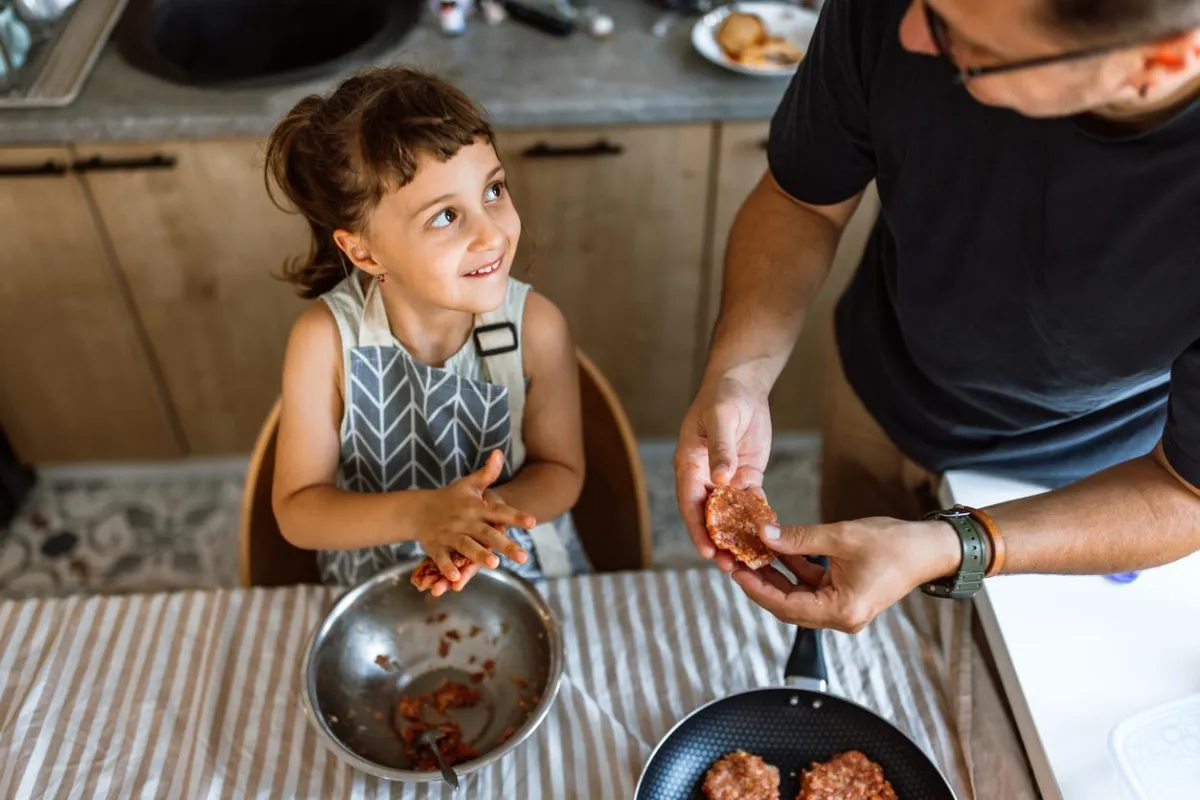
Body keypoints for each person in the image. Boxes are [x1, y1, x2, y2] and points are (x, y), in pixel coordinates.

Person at [676, 0, 1200, 632]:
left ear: (1161, 61)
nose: (908, 35)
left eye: (966, 43)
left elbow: (1183, 492)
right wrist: (742, 373)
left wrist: (960, 546)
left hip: (1087, 486)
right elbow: (802, 202)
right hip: (879, 383)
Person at [266, 67, 590, 594]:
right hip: (377, 579)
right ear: (364, 252)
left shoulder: (537, 327)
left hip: (511, 560)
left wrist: (475, 526)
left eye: (493, 189)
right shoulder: (323, 342)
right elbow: (299, 510)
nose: (491, 233)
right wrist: (425, 516)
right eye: (444, 216)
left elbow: (562, 471)